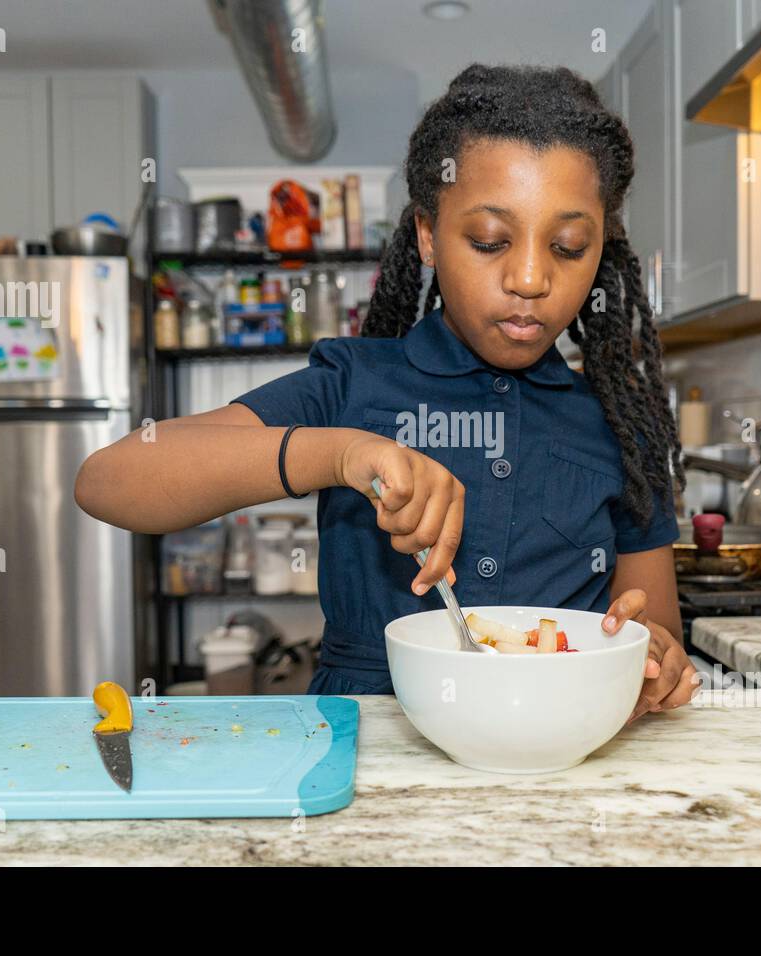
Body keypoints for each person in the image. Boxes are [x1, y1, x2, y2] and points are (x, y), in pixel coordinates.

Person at [76, 64, 697, 718]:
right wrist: (342, 455)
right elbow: (109, 479)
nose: (530, 277)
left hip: (557, 766)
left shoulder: (623, 428)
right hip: (365, 760)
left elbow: (656, 639)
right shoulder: (355, 383)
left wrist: (652, 663)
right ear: (428, 235)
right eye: (490, 240)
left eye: (569, 247)